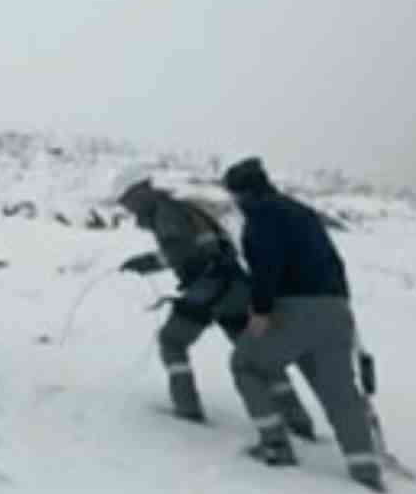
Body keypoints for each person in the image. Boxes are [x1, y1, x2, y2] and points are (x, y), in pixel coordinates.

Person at [221, 156, 383, 493]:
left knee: (246, 364)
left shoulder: (261, 216)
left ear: (242, 193)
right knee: (339, 393)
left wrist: (261, 310)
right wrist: (340, 306)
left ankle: (275, 445)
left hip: (294, 307)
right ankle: (365, 467)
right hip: (336, 309)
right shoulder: (302, 212)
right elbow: (334, 262)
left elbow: (266, 266)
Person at [113, 168, 315, 437]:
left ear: (138, 193)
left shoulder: (166, 213)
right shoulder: (182, 208)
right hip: (236, 287)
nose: (126, 208)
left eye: (126, 201)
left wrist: (147, 262)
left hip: (209, 289)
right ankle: (297, 419)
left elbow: (181, 250)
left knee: (172, 341)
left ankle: (187, 408)